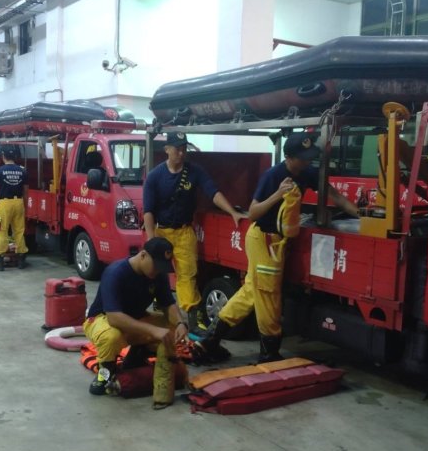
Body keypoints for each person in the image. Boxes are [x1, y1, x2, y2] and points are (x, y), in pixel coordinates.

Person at [196, 131, 358, 364]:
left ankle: (209, 340)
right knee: (269, 295)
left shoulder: (306, 172)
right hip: (263, 239)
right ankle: (268, 352)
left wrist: (361, 216)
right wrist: (277, 194)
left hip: (276, 242)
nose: (308, 160)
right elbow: (252, 213)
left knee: (252, 292)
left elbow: (336, 197)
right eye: (304, 157)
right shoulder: (274, 176)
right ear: (290, 157)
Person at [143, 131, 245, 330]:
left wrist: (232, 212)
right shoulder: (155, 176)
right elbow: (148, 211)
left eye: (184, 149)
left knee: (187, 275)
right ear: (167, 150)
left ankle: (192, 319)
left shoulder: (194, 171)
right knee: (154, 272)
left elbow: (213, 192)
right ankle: (156, 310)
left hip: (184, 233)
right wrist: (151, 240)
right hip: (161, 233)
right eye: (177, 149)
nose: (181, 153)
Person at [83, 237, 188, 396]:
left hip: (136, 319)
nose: (158, 271)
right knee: (112, 337)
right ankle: (105, 373)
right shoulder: (115, 272)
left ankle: (137, 355)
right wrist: (153, 331)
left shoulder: (157, 275)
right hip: (102, 319)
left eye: (162, 267)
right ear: (143, 255)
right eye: (156, 265)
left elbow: (168, 304)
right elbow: (114, 317)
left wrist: (181, 323)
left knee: (172, 328)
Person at [0, 146, 28, 271]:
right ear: (15, 157)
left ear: (3, 157)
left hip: (5, 204)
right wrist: (24, 207)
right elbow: (26, 192)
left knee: (1, 230)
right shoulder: (23, 171)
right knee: (19, 231)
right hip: (19, 202)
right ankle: (21, 260)